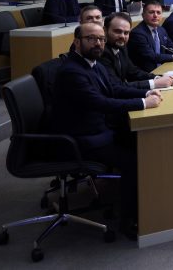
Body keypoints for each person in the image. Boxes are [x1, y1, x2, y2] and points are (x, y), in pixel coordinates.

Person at [50, 23, 163, 238]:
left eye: (101, 39)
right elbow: (100, 103)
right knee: (133, 160)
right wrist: (142, 104)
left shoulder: (94, 64)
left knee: (144, 142)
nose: (98, 43)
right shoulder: (72, 71)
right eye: (91, 38)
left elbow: (114, 89)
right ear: (77, 42)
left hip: (99, 127)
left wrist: (146, 94)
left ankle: (150, 203)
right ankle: (130, 221)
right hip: (82, 138)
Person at [99, 12, 173, 89]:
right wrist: (154, 83)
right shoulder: (101, 52)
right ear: (105, 30)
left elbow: (133, 71)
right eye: (117, 31)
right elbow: (116, 87)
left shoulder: (121, 47)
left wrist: (157, 78)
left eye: (126, 33)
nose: (122, 36)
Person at [128, 1, 173, 72]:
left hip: (162, 70)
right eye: (151, 12)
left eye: (158, 13)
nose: (155, 15)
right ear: (143, 15)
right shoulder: (137, 33)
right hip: (146, 74)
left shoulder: (161, 30)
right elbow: (152, 56)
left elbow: (171, 47)